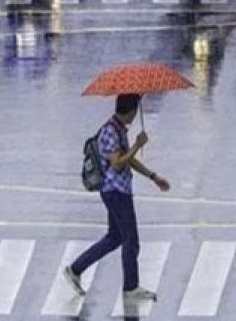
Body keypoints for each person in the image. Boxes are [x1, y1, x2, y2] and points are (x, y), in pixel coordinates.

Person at [65, 93, 170, 301]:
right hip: (115, 192)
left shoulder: (119, 129)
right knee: (131, 241)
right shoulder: (109, 132)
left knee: (115, 238)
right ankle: (130, 288)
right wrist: (137, 146)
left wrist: (153, 176)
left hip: (118, 190)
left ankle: (75, 269)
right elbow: (118, 162)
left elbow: (128, 160)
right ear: (130, 111)